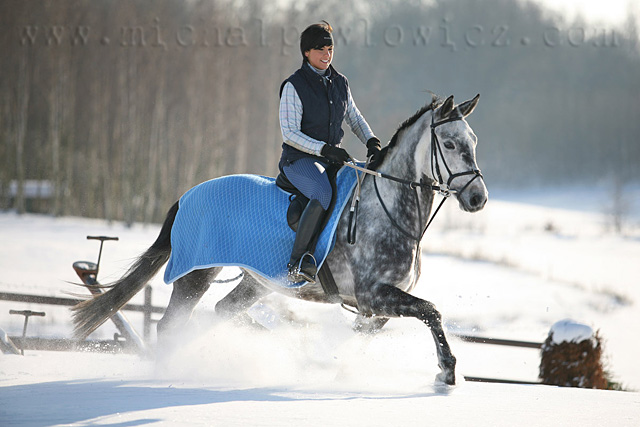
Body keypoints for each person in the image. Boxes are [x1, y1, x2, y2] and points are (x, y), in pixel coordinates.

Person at [278, 21, 382, 283]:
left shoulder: (340, 82)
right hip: (299, 160)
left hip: (331, 159)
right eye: (320, 50)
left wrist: (372, 141)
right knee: (322, 191)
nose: (327, 55)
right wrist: (324, 149)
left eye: (330, 49)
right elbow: (289, 133)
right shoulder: (293, 86)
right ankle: (297, 262)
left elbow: (354, 118)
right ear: (306, 53)